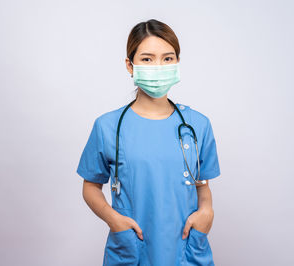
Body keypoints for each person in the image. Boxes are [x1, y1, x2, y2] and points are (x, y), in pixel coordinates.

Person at [76, 19, 221, 266]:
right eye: (147, 59)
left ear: (177, 63)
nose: (158, 66)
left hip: (185, 249)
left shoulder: (198, 125)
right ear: (130, 66)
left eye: (167, 58)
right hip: (133, 248)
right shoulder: (108, 126)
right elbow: (90, 186)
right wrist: (114, 220)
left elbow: (202, 182)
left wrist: (206, 211)